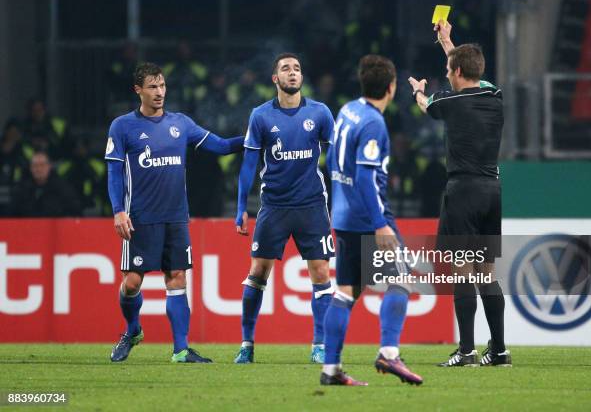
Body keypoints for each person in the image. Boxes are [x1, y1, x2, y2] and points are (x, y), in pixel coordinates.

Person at [105, 62, 244, 363]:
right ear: (138, 89)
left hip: (176, 217)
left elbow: (219, 146)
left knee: (177, 277)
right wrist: (118, 212)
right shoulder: (122, 126)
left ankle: (180, 350)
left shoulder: (181, 123)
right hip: (140, 217)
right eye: (152, 87)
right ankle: (132, 330)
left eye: (162, 86)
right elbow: (114, 173)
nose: (159, 92)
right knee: (132, 282)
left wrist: (251, 140)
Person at [408, 21, 510, 367]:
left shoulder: (449, 101)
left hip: (463, 190)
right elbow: (469, 73)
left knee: (462, 271)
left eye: (449, 71)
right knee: (486, 273)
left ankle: (466, 351)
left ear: (458, 72)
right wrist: (447, 42)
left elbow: (426, 105)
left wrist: (417, 91)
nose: (446, 76)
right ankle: (498, 350)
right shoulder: (494, 96)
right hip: (492, 190)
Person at [321, 55, 423, 386]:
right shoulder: (374, 124)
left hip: (344, 215)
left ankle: (331, 370)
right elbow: (365, 178)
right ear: (392, 87)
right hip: (368, 217)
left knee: (345, 292)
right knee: (402, 280)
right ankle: (389, 354)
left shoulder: (348, 110)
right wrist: (380, 224)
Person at [234, 53, 335, 364]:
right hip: (274, 206)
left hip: (312, 205)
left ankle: (319, 345)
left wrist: (344, 195)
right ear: (275, 79)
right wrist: (241, 207)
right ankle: (247, 344)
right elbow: (249, 164)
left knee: (320, 273)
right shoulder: (261, 116)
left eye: (297, 69)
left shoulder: (320, 113)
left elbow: (334, 160)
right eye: (285, 69)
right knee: (257, 272)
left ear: (301, 78)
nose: (293, 73)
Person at [11, 151, 81, 217]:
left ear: (49, 166)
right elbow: (12, 213)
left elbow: (74, 211)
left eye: (42, 165)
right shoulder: (22, 189)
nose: (38, 169)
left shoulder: (62, 188)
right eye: (35, 165)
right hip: (27, 228)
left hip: (55, 228)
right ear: (30, 168)